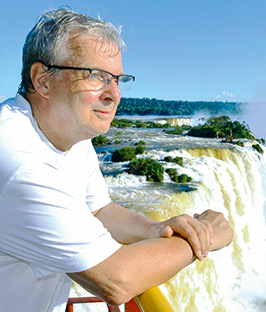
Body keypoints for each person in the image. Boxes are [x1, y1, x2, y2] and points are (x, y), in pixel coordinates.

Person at [0, 8, 233, 312]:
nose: (114, 94)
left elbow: (98, 209)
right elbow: (117, 280)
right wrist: (202, 238)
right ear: (42, 80)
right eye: (96, 76)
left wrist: (158, 229)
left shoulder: (72, 135)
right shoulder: (21, 160)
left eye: (118, 79)